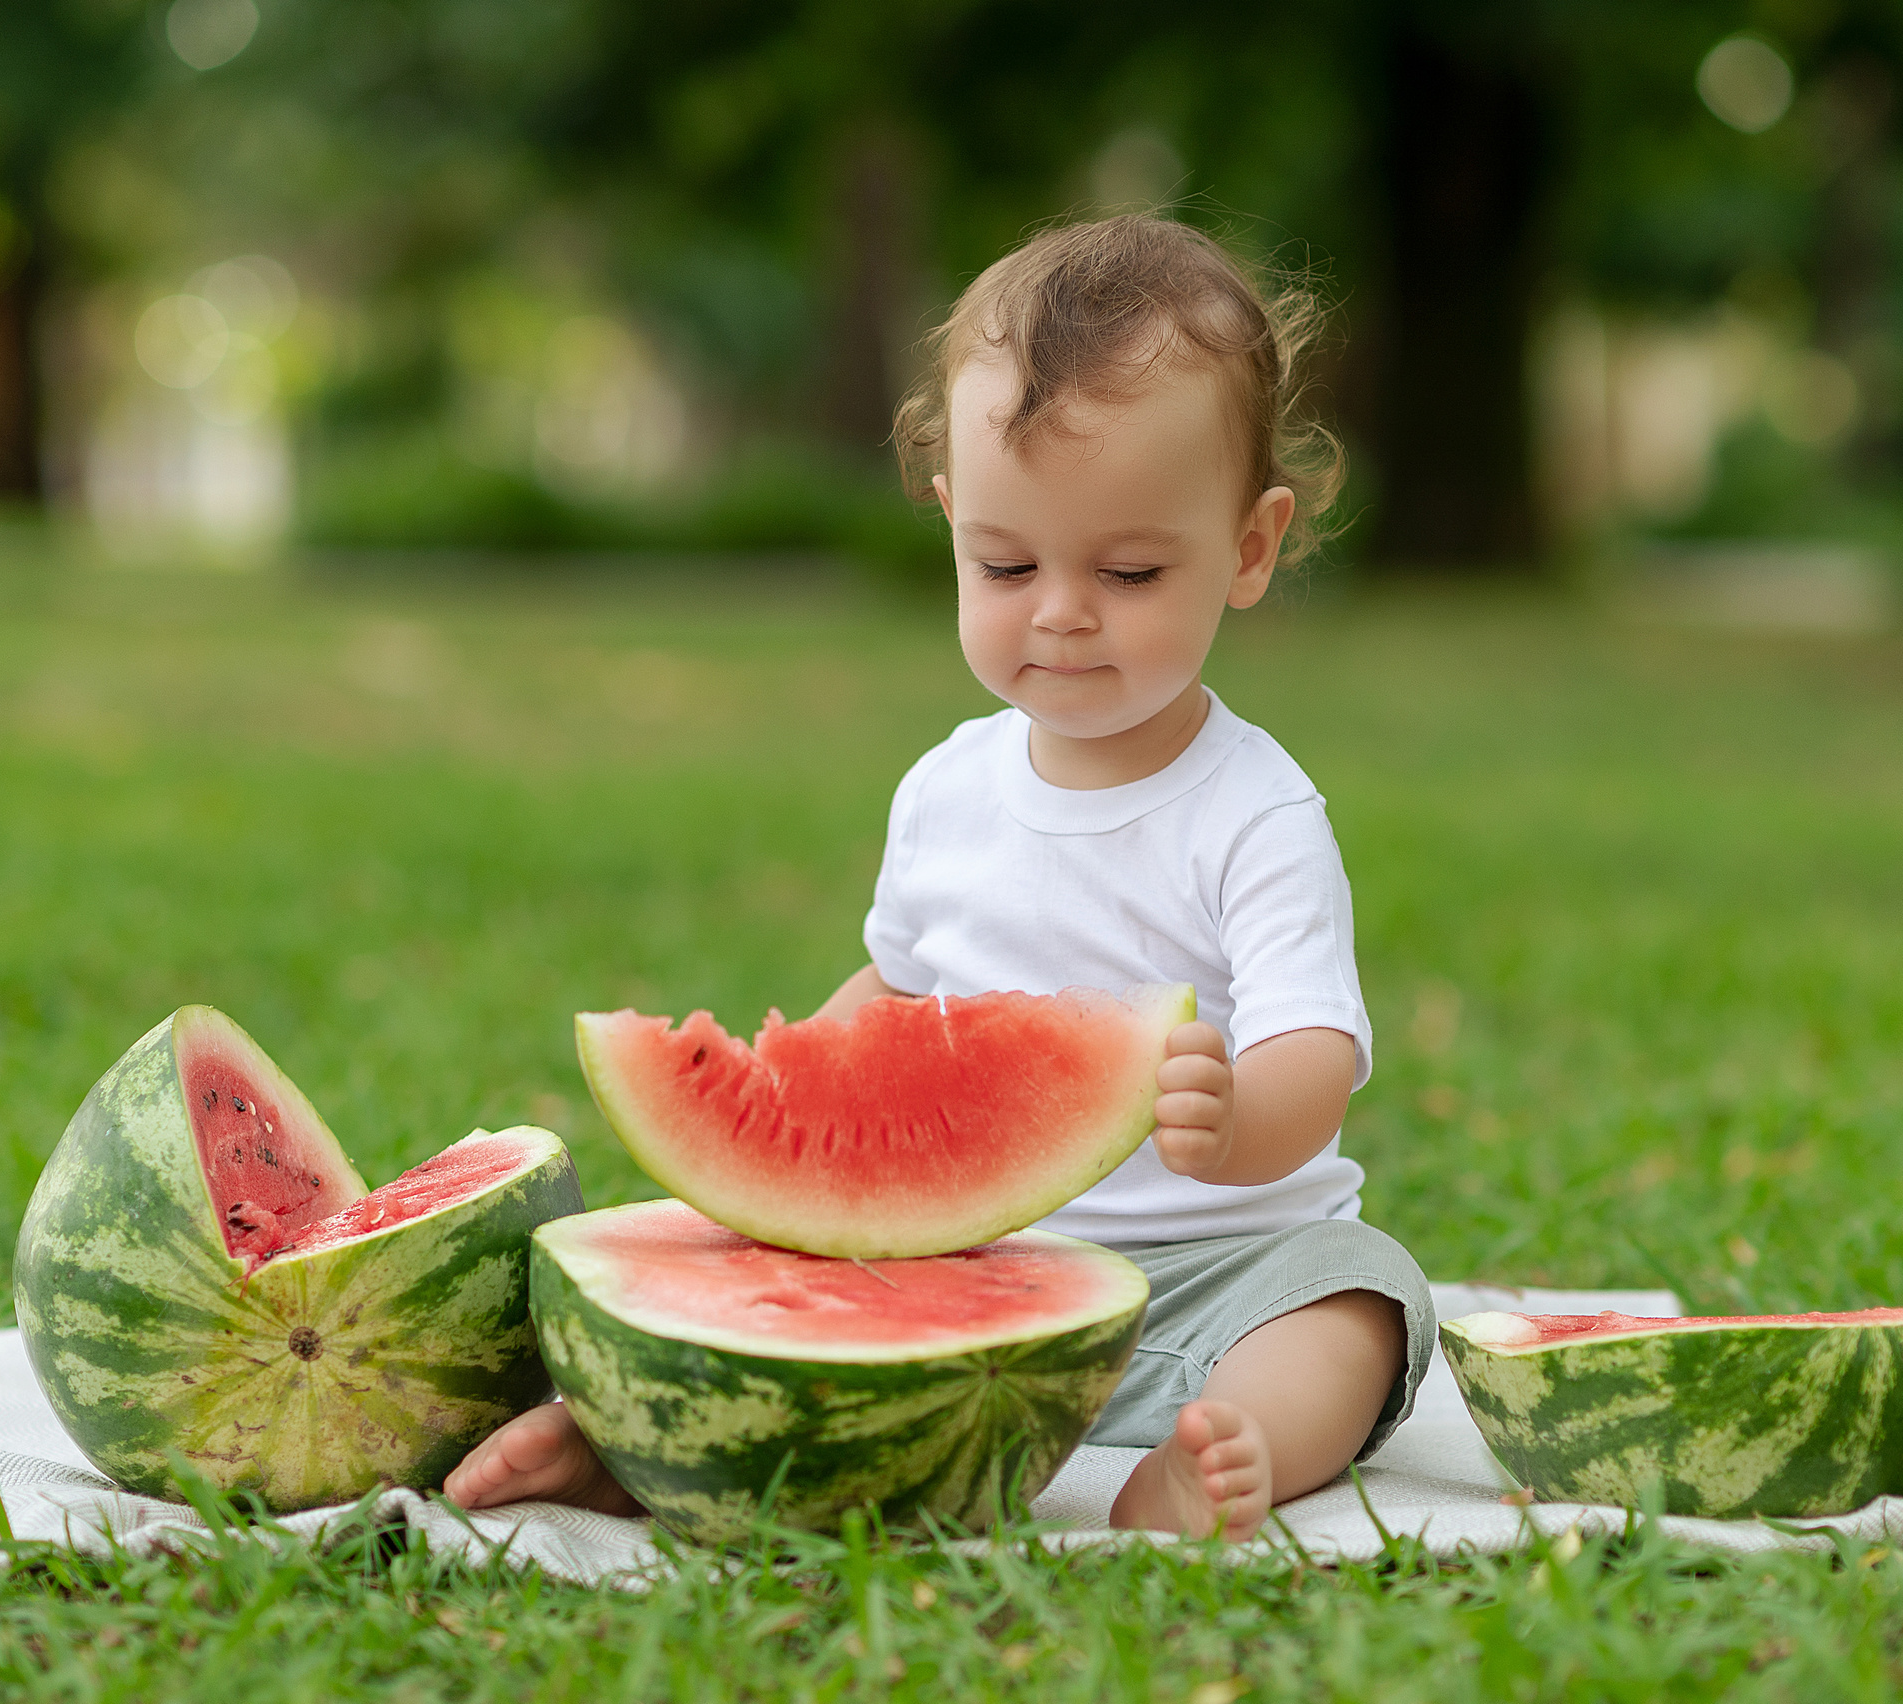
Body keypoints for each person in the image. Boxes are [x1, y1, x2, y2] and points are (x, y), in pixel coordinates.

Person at [446, 213, 1433, 1541]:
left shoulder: (1256, 810)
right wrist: (796, 1092)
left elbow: (1318, 1049)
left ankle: (1230, 1446)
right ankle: (644, 1439)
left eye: (1130, 571)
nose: (1062, 612)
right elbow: (900, 989)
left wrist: (1239, 1121)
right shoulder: (946, 793)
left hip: (1222, 1270)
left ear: (1251, 548)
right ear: (949, 522)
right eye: (1006, 565)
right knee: (762, 1276)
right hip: (973, 1262)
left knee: (1358, 1305)